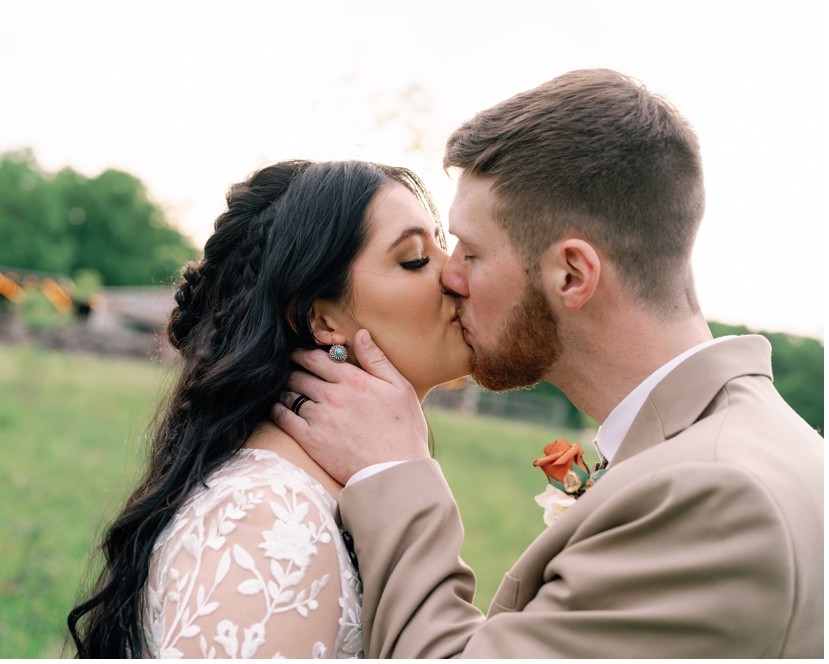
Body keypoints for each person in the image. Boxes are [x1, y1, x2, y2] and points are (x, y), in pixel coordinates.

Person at [274, 69, 824, 657]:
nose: (450, 276)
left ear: (571, 274)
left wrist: (394, 473)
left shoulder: (713, 493)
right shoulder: (761, 447)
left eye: (472, 251)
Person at [66, 160, 473, 658]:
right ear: (320, 318)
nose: (455, 274)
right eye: (414, 259)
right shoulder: (270, 523)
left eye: (443, 246)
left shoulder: (341, 497)